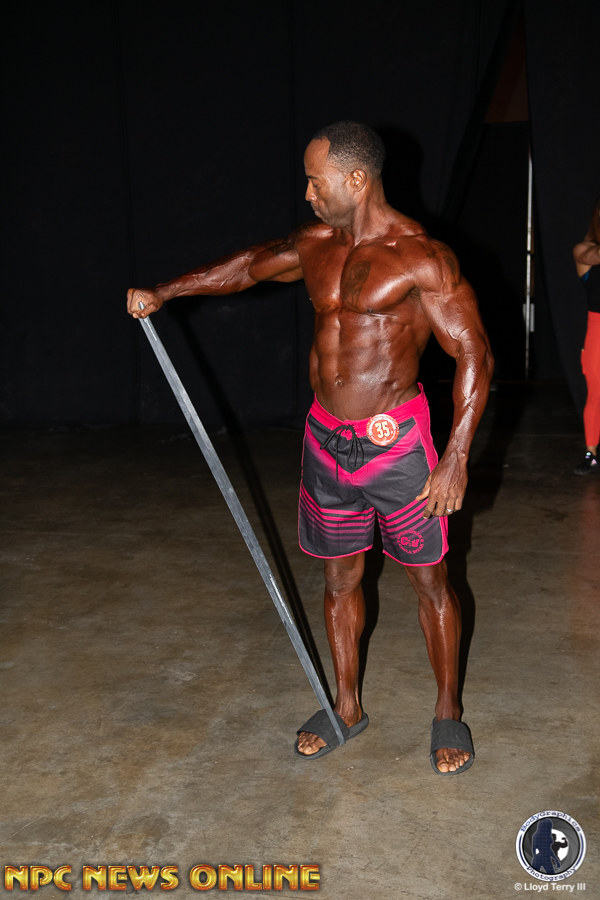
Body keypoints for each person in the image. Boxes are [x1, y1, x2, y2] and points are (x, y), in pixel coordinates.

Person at [127, 121, 493, 774]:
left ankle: (447, 711)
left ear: (356, 179)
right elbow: (247, 267)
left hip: (397, 448)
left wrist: (456, 456)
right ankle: (345, 706)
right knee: (338, 578)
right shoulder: (317, 244)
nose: (308, 194)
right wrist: (167, 291)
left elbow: (473, 353)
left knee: (430, 582)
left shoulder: (420, 256)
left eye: (316, 182)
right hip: (326, 443)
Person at [572, 195, 600, 475]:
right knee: (596, 393)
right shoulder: (584, 250)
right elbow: (593, 256)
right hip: (597, 329)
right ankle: (591, 452)